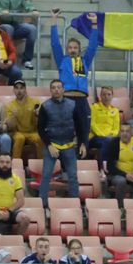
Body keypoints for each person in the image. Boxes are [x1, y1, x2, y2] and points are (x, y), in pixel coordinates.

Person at [50, 9, 97, 141]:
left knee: (84, 131)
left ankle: (83, 155)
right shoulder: (62, 60)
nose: (72, 50)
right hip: (67, 99)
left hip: (82, 100)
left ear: (79, 49)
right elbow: (54, 44)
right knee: (66, 131)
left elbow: (93, 46)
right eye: (70, 47)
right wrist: (54, 21)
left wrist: (94, 25)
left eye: (75, 47)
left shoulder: (84, 61)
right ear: (66, 49)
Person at [37, 78, 82, 208]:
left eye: (58, 87)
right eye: (53, 88)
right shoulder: (45, 106)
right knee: (46, 175)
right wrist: (49, 145)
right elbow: (40, 129)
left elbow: (80, 125)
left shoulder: (73, 105)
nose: (56, 90)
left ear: (63, 89)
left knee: (73, 176)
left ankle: (75, 204)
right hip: (52, 144)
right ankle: (42, 205)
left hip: (68, 144)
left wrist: (81, 142)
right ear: (50, 90)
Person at [102, 122, 133, 206]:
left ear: (131, 133)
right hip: (117, 175)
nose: (125, 134)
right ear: (119, 133)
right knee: (121, 181)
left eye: (127, 131)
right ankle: (120, 207)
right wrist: (125, 175)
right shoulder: (114, 143)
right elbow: (110, 166)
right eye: (122, 131)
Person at [0, 152, 29, 235]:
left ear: (11, 163)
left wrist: (8, 211)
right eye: (2, 162)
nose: (4, 165)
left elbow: (21, 201)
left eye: (7, 162)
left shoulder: (16, 178)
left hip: (10, 211)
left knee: (25, 218)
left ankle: (17, 240)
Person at [4, 80, 41, 161]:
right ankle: (15, 164)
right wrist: (13, 116)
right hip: (17, 132)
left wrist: (37, 115)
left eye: (21, 88)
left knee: (39, 138)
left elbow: (39, 124)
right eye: (16, 88)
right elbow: (10, 126)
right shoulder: (9, 105)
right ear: (13, 90)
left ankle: (41, 163)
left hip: (32, 131)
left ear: (25, 89)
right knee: (20, 138)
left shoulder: (35, 103)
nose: (19, 91)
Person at [87, 86, 119, 160]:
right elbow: (92, 124)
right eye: (104, 94)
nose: (106, 97)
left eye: (109, 94)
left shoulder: (115, 110)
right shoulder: (94, 107)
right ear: (100, 96)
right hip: (94, 137)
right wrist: (103, 135)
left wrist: (111, 135)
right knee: (107, 142)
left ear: (112, 96)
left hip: (109, 138)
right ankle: (103, 166)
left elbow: (116, 128)